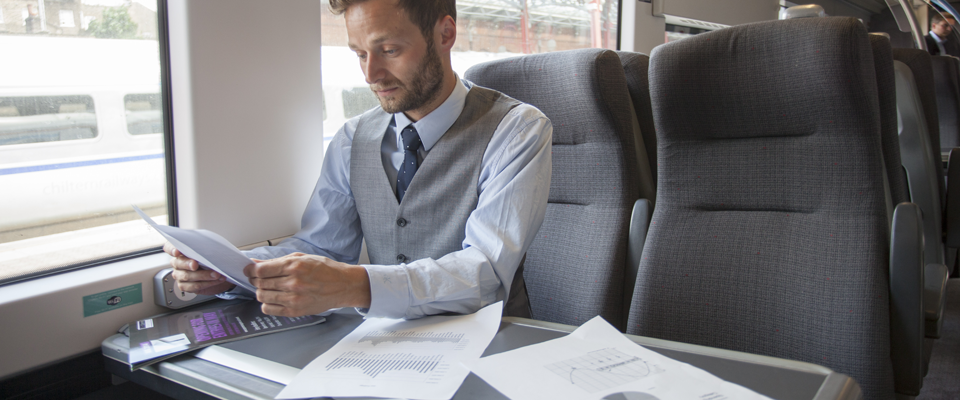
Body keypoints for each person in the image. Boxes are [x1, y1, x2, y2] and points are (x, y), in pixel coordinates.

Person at [165, 0, 552, 320]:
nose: (372, 74)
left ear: (445, 33)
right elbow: (321, 247)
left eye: (389, 51)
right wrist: (235, 271)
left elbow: (484, 272)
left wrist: (354, 285)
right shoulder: (353, 139)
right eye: (360, 54)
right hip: (385, 343)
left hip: (494, 343)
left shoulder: (516, 130)